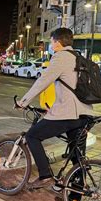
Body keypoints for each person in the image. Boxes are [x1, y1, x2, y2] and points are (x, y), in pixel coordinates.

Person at [17, 28, 93, 189]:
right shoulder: (79, 57)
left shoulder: (60, 58)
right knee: (77, 158)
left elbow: (42, 81)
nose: (51, 45)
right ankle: (76, 195)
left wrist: (23, 102)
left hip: (67, 114)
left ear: (57, 42)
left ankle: (45, 176)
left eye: (51, 42)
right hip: (85, 113)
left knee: (32, 136)